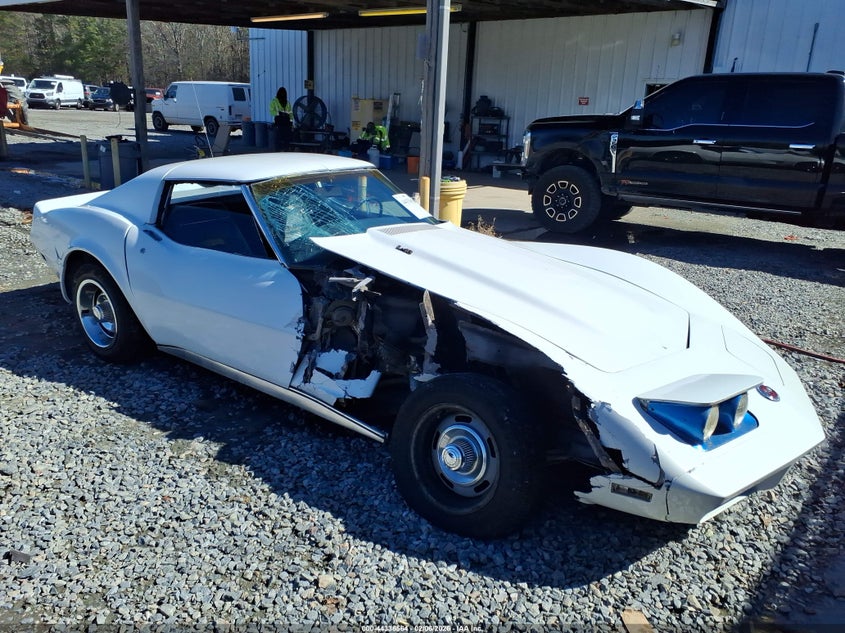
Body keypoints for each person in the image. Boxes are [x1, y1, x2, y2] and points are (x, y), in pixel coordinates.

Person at [269, 86, 293, 151]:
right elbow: (271, 111)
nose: (282, 95)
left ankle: (286, 151)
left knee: (286, 140)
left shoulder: (287, 103)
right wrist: (279, 113)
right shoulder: (274, 101)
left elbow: (291, 113)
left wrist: (291, 122)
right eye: (281, 93)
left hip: (286, 124)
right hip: (278, 123)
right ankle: (278, 152)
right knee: (278, 140)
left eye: (284, 93)